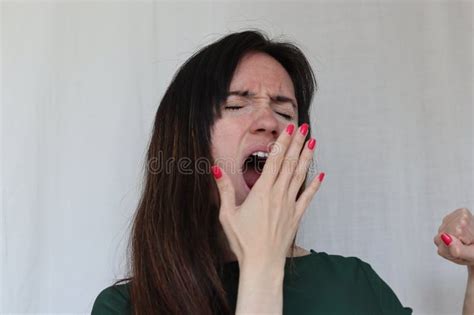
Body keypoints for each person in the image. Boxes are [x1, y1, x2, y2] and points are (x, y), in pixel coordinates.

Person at [91, 29, 471, 314]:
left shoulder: (354, 287)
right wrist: (261, 266)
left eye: (286, 112)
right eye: (237, 106)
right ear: (186, 140)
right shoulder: (125, 306)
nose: (269, 122)